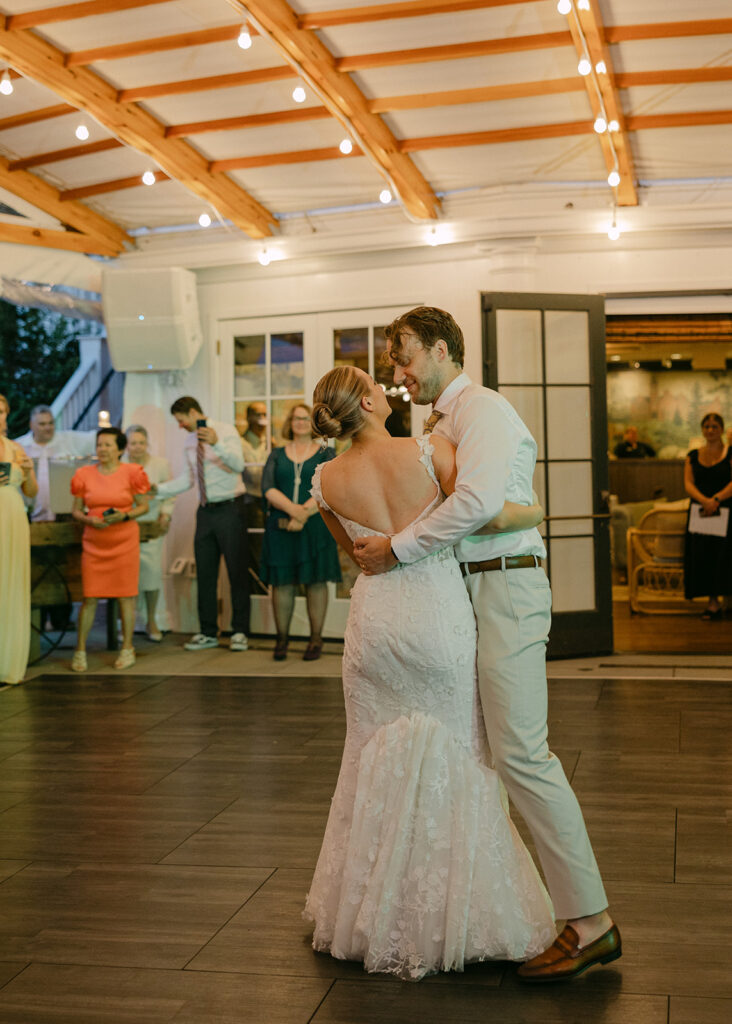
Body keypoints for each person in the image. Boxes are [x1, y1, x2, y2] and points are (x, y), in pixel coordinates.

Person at [355, 307, 620, 982]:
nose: (399, 372)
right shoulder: (441, 425)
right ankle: (502, 908)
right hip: (466, 592)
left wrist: (398, 548)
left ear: (444, 349)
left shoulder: (483, 409)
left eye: (406, 356)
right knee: (485, 754)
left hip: (505, 588)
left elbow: (474, 504)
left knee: (523, 754)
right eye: (392, 362)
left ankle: (592, 923)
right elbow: (487, 505)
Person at [304, 365, 555, 979]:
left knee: (369, 754)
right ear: (369, 400)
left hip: (375, 625)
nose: (391, 383)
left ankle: (371, 913)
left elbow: (358, 556)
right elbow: (479, 515)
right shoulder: (429, 449)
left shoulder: (324, 479)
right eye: (378, 381)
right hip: (437, 616)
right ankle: (458, 913)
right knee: (461, 752)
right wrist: (535, 511)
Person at [153, 396, 249, 652]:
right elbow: (187, 480)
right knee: (205, 573)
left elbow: (238, 465)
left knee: (236, 572)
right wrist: (156, 490)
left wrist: (216, 444)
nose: (180, 425)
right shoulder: (188, 441)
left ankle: (240, 631)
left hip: (231, 508)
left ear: (194, 412)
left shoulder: (226, 431)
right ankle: (208, 632)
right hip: (205, 511)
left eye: (181, 419)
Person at [260, 403, 341, 661]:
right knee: (281, 583)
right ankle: (281, 639)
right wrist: (294, 511)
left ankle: (316, 640)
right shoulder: (276, 454)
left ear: (314, 423)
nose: (300, 422)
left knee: (316, 582)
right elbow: (267, 487)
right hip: (282, 526)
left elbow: (329, 486)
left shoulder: (326, 453)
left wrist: (305, 513)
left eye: (306, 419)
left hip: (315, 526)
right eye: (296, 418)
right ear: (290, 423)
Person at [70, 427, 150, 671]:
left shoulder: (132, 473)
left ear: (120, 449)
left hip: (124, 540)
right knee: (90, 596)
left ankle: (127, 648)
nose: (102, 449)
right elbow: (75, 509)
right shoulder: (83, 474)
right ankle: (80, 651)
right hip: (94, 541)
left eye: (107, 445)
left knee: (126, 595)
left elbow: (143, 506)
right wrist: (88, 519)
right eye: (99, 445)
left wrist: (124, 516)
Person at [0, 393, 38, 685]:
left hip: (13, 513)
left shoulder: (16, 448)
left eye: (2, 412)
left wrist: (28, 472)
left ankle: (9, 662)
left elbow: (32, 492)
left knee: (12, 582)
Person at [125, 424, 175, 641]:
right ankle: (126, 623)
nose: (138, 447)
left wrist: (166, 515)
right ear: (126, 445)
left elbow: (169, 493)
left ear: (147, 444)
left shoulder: (160, 465)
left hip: (152, 525)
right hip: (126, 525)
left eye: (141, 443)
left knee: (151, 573)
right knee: (126, 576)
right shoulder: (120, 466)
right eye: (133, 443)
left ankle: (152, 620)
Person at [683, 412, 732, 620]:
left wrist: (716, 500)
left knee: (726, 556)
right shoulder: (693, 455)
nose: (710, 430)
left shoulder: (730, 453)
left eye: (714, 427)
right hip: (700, 512)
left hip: (726, 511)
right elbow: (688, 483)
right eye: (707, 427)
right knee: (704, 556)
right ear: (702, 430)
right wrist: (704, 501)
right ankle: (712, 603)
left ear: (721, 429)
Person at [14, 405, 95, 522]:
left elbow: (96, 439)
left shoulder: (68, 439)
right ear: (31, 425)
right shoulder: (19, 446)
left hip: (65, 514)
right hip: (28, 514)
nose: (48, 427)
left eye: (51, 423)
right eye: (42, 424)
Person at [237, 401, 269, 587]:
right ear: (249, 417)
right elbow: (254, 475)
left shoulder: (270, 442)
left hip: (269, 503)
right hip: (250, 503)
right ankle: (258, 589)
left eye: (265, 414)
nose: (262, 419)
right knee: (255, 551)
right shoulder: (242, 444)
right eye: (258, 414)